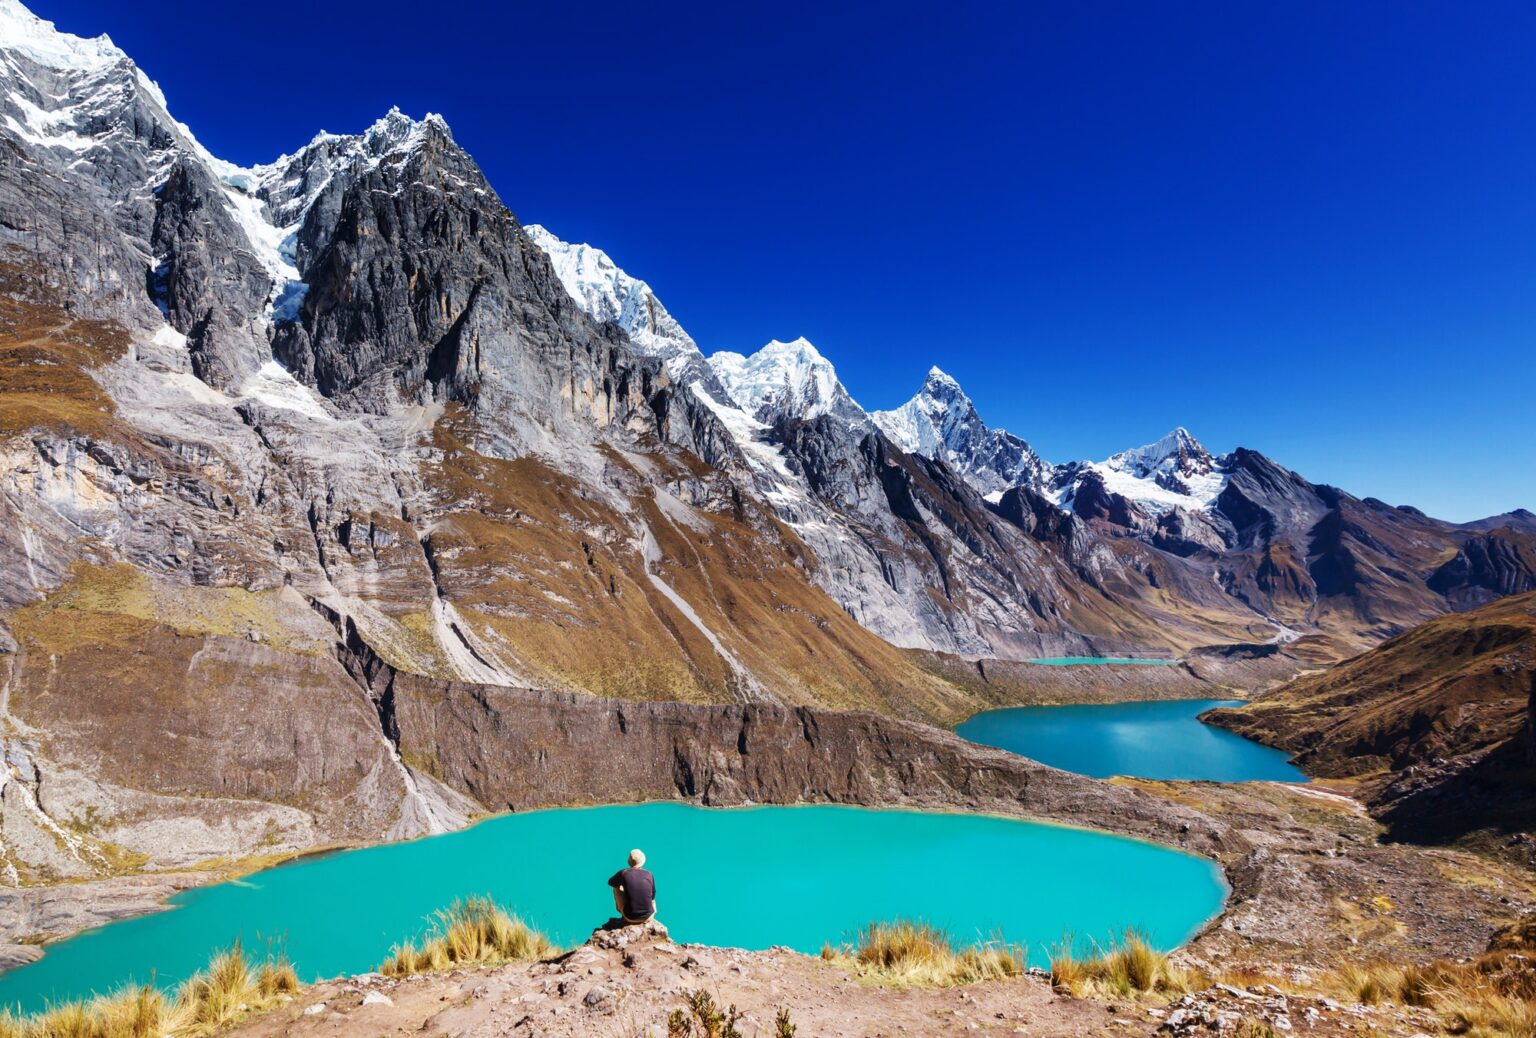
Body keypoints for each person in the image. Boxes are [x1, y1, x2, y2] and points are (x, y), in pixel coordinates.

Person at [607, 848, 656, 925]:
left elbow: (610, 882)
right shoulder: (649, 874)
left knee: (616, 887)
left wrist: (623, 885)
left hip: (630, 917)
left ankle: (621, 909)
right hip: (649, 916)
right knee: (649, 893)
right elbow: (652, 896)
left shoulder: (624, 872)